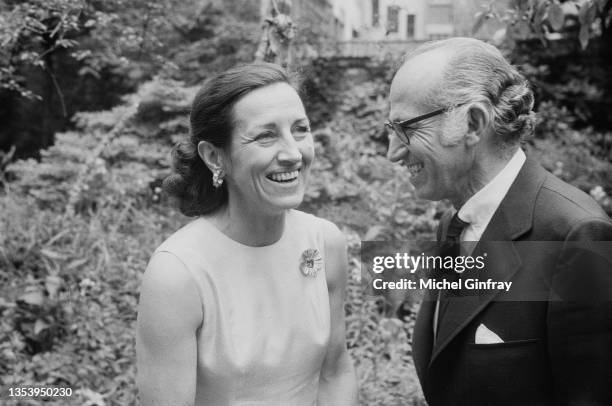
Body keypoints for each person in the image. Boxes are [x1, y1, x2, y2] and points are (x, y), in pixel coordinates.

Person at [386, 38, 612, 406]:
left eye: (406, 127)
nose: (392, 152)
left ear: (473, 122)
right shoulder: (452, 224)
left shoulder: (577, 235)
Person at [136, 62, 357, 405]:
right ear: (214, 157)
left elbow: (335, 370)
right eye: (266, 135)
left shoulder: (325, 243)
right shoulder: (177, 273)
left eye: (300, 129)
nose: (293, 153)